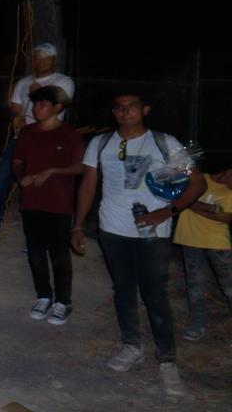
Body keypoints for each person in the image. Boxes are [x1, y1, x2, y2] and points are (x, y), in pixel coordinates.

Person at [72, 93, 205, 396]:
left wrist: (167, 211)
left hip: (153, 231)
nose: (124, 110)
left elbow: (198, 183)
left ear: (145, 110)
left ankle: (167, 360)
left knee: (155, 293)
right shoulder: (101, 143)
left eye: (131, 105)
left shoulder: (164, 142)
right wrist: (78, 225)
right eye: (118, 106)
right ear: (113, 112)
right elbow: (89, 184)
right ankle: (132, 345)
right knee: (123, 289)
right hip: (113, 229)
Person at [0, 43, 75, 242]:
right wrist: (17, 116)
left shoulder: (64, 81)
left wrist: (40, 91)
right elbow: (16, 107)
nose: (42, 61)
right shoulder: (23, 82)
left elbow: (58, 106)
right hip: (22, 137)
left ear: (54, 60)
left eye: (46, 58)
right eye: (38, 57)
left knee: (45, 185)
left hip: (50, 137)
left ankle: (48, 232)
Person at [11, 87, 84, 324]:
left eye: (42, 104)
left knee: (59, 255)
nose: (36, 108)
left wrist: (52, 171)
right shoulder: (27, 132)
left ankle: (63, 301)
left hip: (59, 203)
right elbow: (17, 160)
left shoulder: (70, 134)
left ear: (58, 107)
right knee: (35, 254)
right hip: (32, 202)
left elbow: (80, 167)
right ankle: (43, 296)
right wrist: (21, 176)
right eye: (35, 104)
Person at [173, 166, 232, 341]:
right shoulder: (199, 179)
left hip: (218, 243)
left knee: (230, 287)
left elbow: (227, 218)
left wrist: (190, 204)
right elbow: (176, 196)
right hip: (191, 240)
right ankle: (197, 325)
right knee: (195, 287)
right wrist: (211, 209)